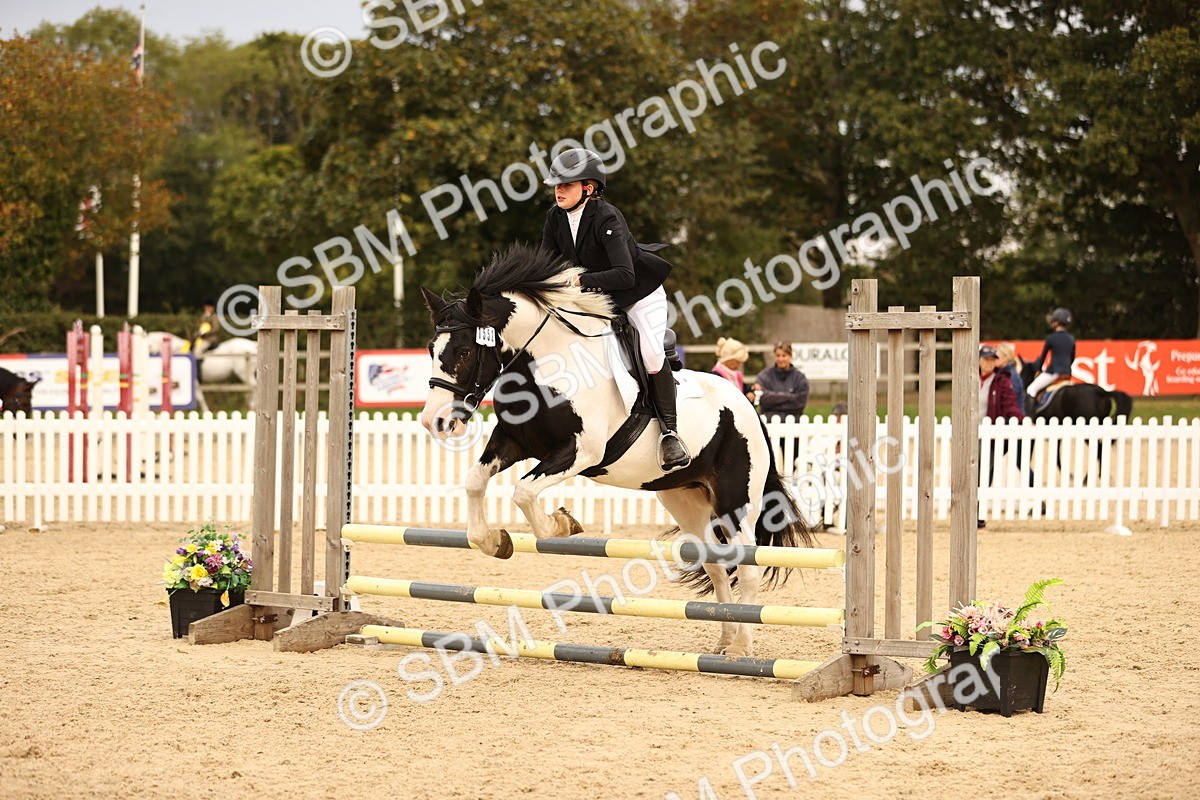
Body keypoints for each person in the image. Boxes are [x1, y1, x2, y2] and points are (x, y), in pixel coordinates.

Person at [540, 148, 688, 472]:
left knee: (650, 353)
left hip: (638, 294)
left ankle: (670, 433)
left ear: (588, 188)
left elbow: (625, 275)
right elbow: (547, 264)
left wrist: (579, 280)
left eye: (566, 184)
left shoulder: (607, 217)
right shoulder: (555, 217)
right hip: (597, 297)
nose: (558, 190)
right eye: (557, 185)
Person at [978, 344, 1024, 528]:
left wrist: (1020, 419)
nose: (988, 363)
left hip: (989, 435)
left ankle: (978, 513)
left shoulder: (1001, 381)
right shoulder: (970, 377)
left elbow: (1010, 403)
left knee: (983, 472)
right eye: (985, 359)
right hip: (970, 433)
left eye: (992, 360)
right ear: (979, 360)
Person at [1026, 308, 1075, 405]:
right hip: (1067, 373)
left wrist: (1039, 370)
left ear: (1056, 322)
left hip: (1054, 372)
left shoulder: (1051, 338)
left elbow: (1043, 357)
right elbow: (1072, 358)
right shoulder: (1071, 338)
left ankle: (1030, 414)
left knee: (1031, 389)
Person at [754, 341, 809, 419]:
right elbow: (762, 399)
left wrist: (773, 401)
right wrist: (790, 397)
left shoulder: (800, 378)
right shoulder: (764, 376)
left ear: (790, 356)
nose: (780, 359)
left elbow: (800, 403)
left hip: (794, 422)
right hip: (769, 422)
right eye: (778, 355)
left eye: (784, 355)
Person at [710, 338, 756, 403]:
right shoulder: (716, 377)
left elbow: (744, 388)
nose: (739, 365)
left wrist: (750, 391)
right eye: (737, 362)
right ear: (728, 359)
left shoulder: (735, 375)